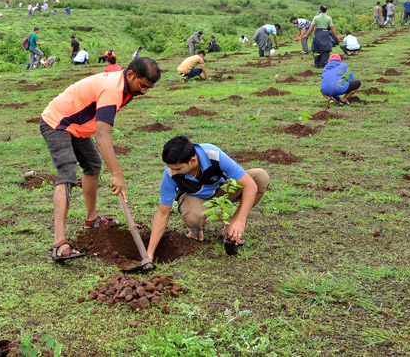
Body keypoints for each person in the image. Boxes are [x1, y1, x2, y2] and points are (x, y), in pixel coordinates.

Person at [41, 57, 161, 261]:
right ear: (131, 75)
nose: (143, 92)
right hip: (57, 122)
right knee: (67, 171)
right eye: (142, 86)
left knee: (93, 165)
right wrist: (117, 174)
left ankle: (91, 219)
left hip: (77, 126)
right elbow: (102, 134)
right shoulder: (112, 90)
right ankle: (59, 243)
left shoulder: (127, 87)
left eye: (148, 88)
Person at [146, 135, 269, 256]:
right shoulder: (170, 173)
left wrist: (239, 221)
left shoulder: (213, 154)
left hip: (219, 191)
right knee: (194, 217)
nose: (173, 172)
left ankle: (231, 227)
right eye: (170, 168)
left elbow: (250, 185)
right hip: (193, 198)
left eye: (178, 169)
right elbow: (163, 213)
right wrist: (149, 253)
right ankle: (196, 229)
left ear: (192, 161)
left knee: (260, 178)